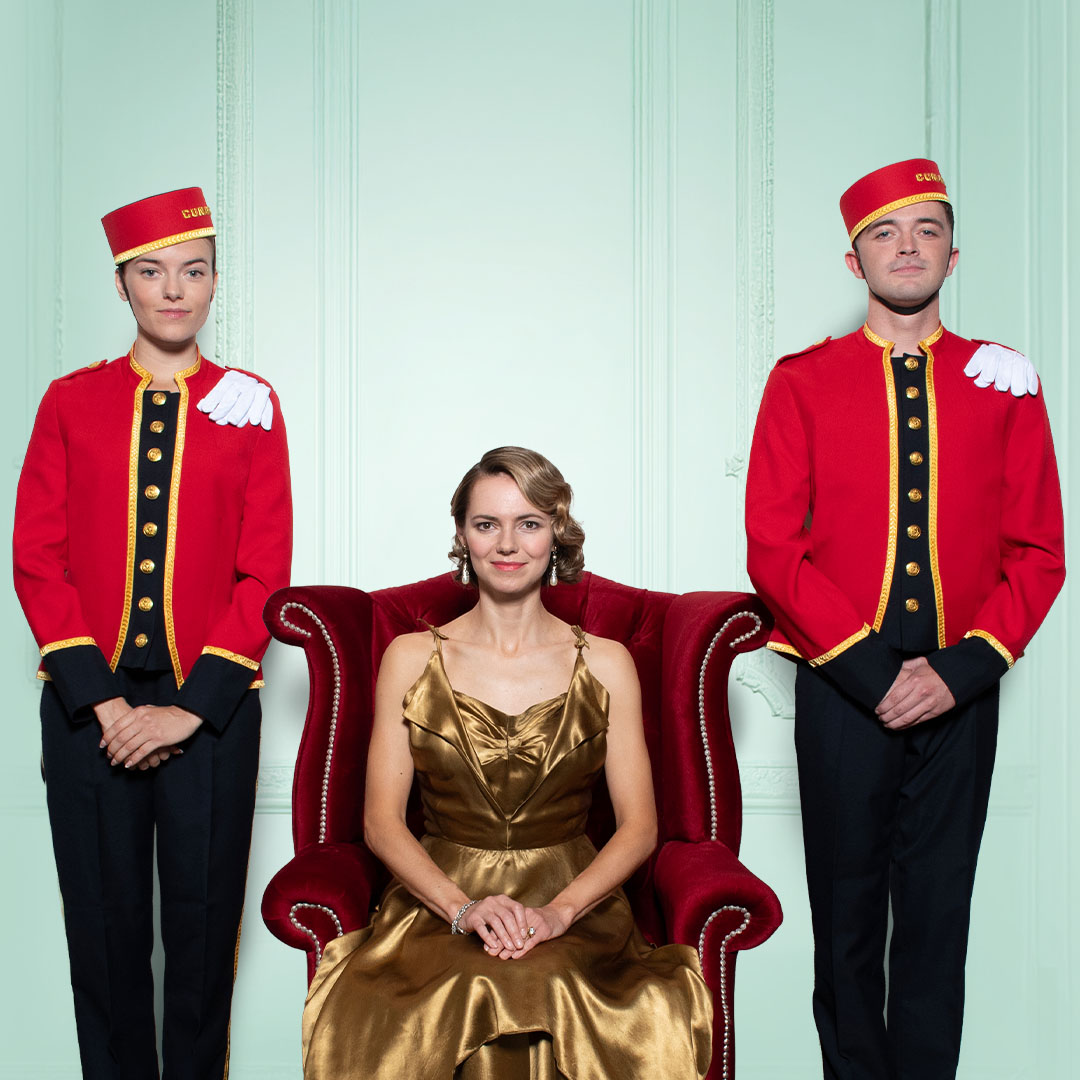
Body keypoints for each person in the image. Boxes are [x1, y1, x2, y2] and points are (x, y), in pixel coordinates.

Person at [745, 158, 1065, 1079]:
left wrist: (960, 671)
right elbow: (773, 548)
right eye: (884, 233)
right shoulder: (802, 382)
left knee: (936, 921)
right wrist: (874, 674)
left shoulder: (1004, 381)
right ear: (855, 263)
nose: (906, 247)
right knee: (845, 922)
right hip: (845, 693)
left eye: (926, 230)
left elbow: (1040, 550)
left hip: (961, 692)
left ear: (953, 254)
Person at [301, 446, 712, 1079]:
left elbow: (639, 826)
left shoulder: (606, 662)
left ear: (557, 534)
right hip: (437, 894)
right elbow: (382, 822)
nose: (507, 543)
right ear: (462, 536)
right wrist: (463, 909)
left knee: (555, 986)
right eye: (487, 524)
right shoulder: (410, 657)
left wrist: (557, 915)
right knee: (466, 986)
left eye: (529, 523)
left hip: (572, 894)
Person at [13, 187, 293, 1079]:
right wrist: (101, 702)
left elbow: (265, 570)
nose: (174, 290)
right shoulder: (69, 402)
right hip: (88, 713)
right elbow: (36, 559)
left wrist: (189, 710)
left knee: (205, 944)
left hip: (210, 712)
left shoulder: (252, 404)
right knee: (104, 938)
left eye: (194, 271)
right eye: (152, 272)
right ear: (123, 284)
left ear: (215, 283)